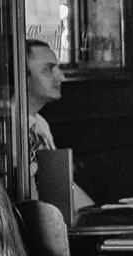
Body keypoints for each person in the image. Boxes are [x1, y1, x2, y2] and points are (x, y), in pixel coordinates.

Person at [26, 38, 94, 210]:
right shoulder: (6, 126)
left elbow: (59, 186)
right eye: (49, 69)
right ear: (20, 75)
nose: (61, 76)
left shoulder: (40, 123)